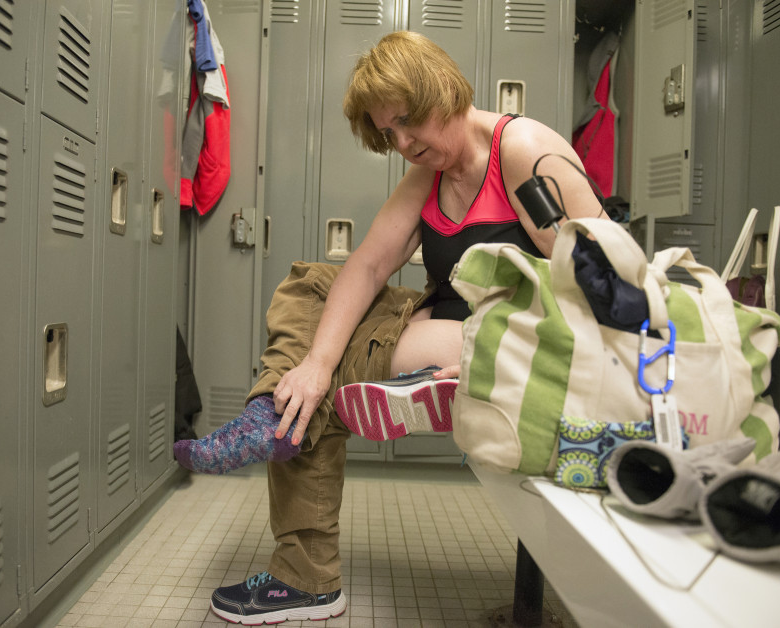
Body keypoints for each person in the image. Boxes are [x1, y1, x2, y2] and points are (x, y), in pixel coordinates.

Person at [173, 30, 606, 624]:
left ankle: (303, 567)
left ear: (446, 91)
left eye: (408, 122)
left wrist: (504, 356)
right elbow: (370, 264)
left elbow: (603, 277)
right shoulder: (431, 174)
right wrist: (315, 363)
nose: (402, 143)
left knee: (308, 399)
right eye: (387, 133)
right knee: (312, 286)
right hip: (443, 315)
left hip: (506, 334)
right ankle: (270, 414)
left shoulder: (523, 150)